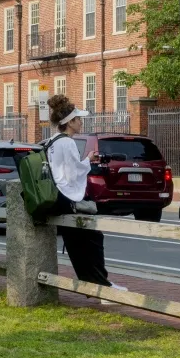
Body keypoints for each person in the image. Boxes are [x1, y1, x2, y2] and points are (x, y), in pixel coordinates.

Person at [43, 94, 124, 292]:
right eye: (78, 119)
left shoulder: (53, 141)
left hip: (57, 196)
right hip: (67, 196)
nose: (81, 122)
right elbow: (72, 175)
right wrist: (88, 161)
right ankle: (101, 284)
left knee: (77, 243)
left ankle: (94, 283)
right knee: (93, 238)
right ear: (69, 122)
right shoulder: (68, 143)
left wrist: (86, 160)